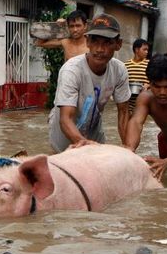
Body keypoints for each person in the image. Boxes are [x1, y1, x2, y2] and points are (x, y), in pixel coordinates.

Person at [48, 13, 131, 153]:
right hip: (64, 133)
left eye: (107, 42)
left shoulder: (119, 70)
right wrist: (85, 145)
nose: (100, 49)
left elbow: (123, 112)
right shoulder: (71, 70)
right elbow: (65, 118)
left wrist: (128, 150)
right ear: (88, 42)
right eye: (95, 41)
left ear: (118, 44)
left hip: (94, 129)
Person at [124, 38, 150, 113]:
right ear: (137, 50)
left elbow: (155, 81)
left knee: (138, 122)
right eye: (144, 49)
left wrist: (148, 85)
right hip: (128, 102)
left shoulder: (149, 64)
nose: (147, 52)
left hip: (143, 101)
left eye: (147, 50)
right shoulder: (126, 65)